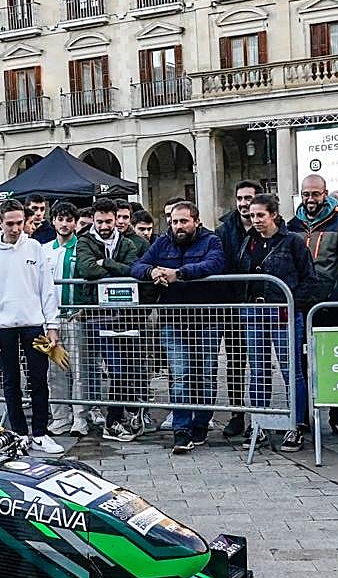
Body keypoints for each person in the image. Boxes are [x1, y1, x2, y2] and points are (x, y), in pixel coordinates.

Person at [132, 202, 226, 455]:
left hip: (207, 320)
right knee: (181, 375)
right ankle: (181, 429)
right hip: (173, 320)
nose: (178, 226)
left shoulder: (211, 241)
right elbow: (137, 265)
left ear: (196, 221)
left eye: (184, 221)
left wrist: (180, 273)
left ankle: (201, 423)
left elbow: (214, 265)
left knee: (205, 375)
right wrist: (152, 272)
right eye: (174, 222)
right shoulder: (162, 243)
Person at [0, 199, 62, 454]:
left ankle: (40, 432)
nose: (15, 228)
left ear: (25, 222)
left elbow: (47, 289)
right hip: (3, 327)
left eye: (19, 223)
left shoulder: (35, 248)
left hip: (34, 324)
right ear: (0, 222)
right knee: (11, 381)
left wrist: (53, 325)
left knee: (39, 379)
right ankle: (19, 433)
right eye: (10, 223)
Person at [234, 194, 316, 450]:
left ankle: (295, 425)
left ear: (274, 215)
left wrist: (291, 305)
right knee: (257, 370)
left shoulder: (292, 242)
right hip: (254, 313)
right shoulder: (248, 242)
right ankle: (258, 423)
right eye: (252, 215)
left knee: (291, 371)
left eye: (261, 215)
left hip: (283, 314)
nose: (256, 220)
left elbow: (310, 279)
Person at [289, 173, 338, 438]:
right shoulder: (292, 225)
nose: (310, 199)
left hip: (332, 307)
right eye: (306, 194)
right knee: (304, 364)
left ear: (325, 193)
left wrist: (334, 300)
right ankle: (305, 416)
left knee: (334, 364)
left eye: (315, 194)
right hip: (303, 307)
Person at [77, 199, 153, 441]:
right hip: (98, 315)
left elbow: (132, 268)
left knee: (130, 368)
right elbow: (87, 270)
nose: (105, 226)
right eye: (99, 222)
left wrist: (107, 263)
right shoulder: (85, 242)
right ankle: (112, 420)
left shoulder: (128, 242)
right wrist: (112, 269)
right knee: (115, 368)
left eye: (109, 221)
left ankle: (124, 415)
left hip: (126, 314)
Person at [216, 179, 263, 439]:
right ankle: (237, 414)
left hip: (259, 306)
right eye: (240, 198)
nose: (244, 203)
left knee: (260, 363)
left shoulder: (267, 227)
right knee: (235, 363)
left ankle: (261, 415)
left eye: (249, 198)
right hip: (232, 306)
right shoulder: (224, 230)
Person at [43, 202, 89, 439]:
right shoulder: (43, 250)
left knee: (79, 370)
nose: (64, 223)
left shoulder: (82, 247)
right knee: (55, 371)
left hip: (74, 317)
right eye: (60, 219)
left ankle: (80, 417)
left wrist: (84, 308)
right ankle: (60, 417)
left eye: (69, 219)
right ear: (53, 221)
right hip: (50, 321)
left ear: (75, 222)